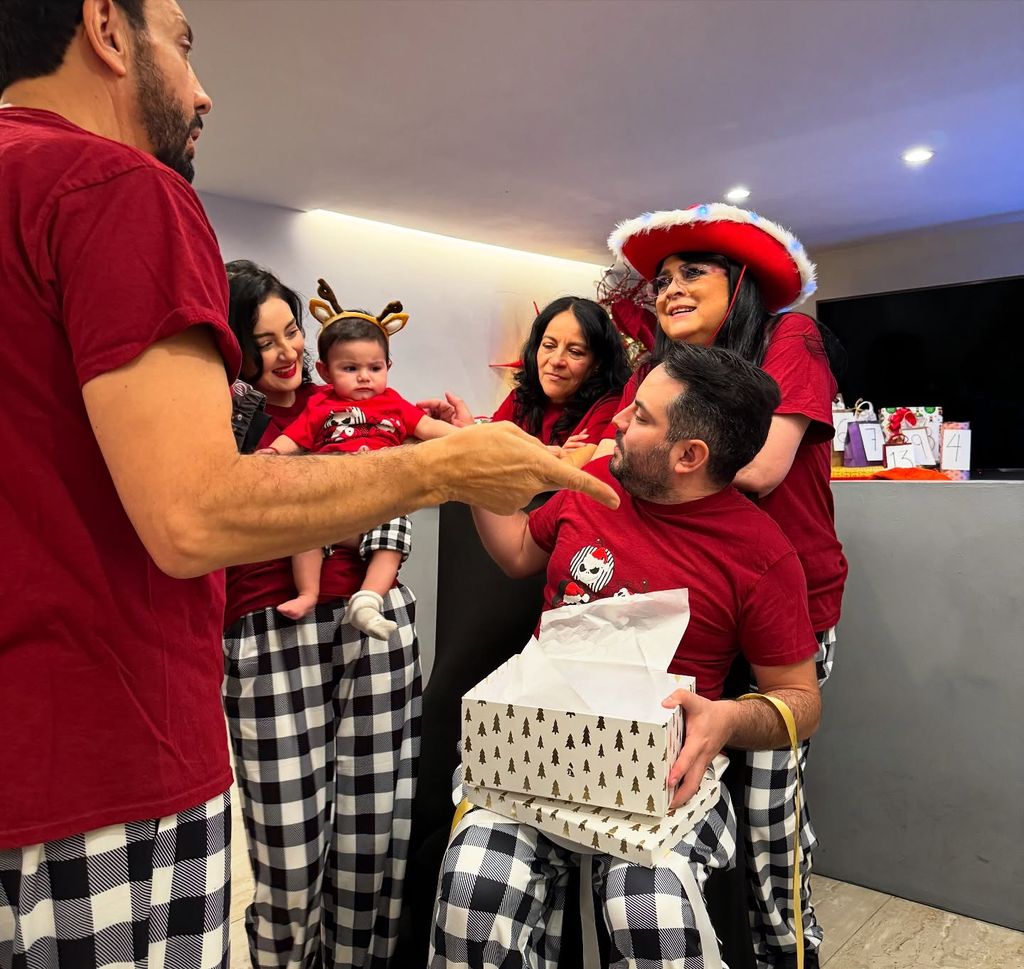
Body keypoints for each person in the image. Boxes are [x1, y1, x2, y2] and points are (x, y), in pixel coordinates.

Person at [0, 3, 616, 966]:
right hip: (100, 750)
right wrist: (444, 465)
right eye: (185, 43)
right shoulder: (113, 183)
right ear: (108, 31)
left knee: (371, 827)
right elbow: (194, 511)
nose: (202, 91)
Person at [431, 342, 822, 969]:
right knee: (474, 898)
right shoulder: (595, 485)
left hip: (659, 776)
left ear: (690, 456)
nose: (615, 420)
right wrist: (472, 470)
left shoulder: (761, 554)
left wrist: (723, 719)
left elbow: (802, 703)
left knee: (649, 917)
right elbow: (515, 554)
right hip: (531, 752)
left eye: (640, 416)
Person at [595, 203, 848, 969]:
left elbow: (764, 468)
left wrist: (632, 457)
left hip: (783, 604)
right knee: (692, 810)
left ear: (737, 283)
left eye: (691, 272)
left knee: (770, 820)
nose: (669, 287)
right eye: (661, 279)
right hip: (691, 614)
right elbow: (605, 448)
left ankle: (788, 956)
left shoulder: (788, 336)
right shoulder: (657, 372)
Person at [222, 261, 430, 968]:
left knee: (372, 835)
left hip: (373, 621)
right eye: (262, 341)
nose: (286, 353)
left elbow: (405, 463)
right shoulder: (218, 418)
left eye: (292, 333)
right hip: (268, 624)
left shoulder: (342, 397)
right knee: (286, 847)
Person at [264, 282, 456, 637]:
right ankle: (308, 592)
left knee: (395, 533)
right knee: (304, 528)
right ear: (325, 372)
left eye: (375, 367)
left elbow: (429, 429)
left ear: (388, 366)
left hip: (379, 501)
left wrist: (473, 436)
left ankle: (368, 599)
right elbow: (295, 436)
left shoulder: (395, 403)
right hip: (328, 494)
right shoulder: (320, 405)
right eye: (350, 368)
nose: (365, 376)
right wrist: (273, 453)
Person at [420, 296, 630, 463]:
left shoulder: (611, 404)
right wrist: (467, 431)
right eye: (548, 346)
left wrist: (512, 449)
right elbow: (488, 451)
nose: (556, 360)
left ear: (597, 363)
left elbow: (570, 475)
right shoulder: (520, 397)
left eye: (575, 352)